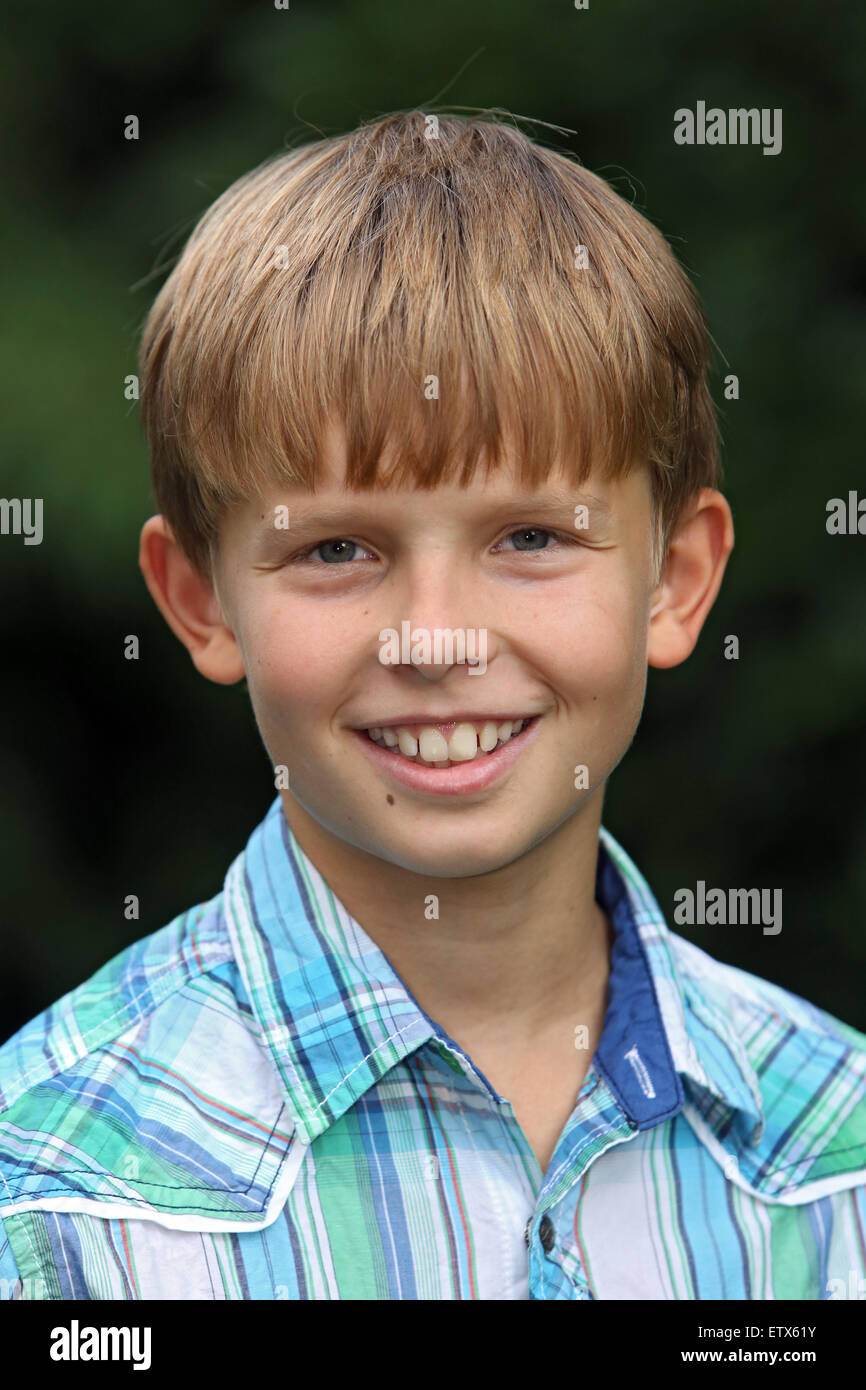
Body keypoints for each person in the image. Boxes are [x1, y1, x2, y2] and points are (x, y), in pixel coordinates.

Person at [1, 111, 863, 1300]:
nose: (435, 636)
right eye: (339, 549)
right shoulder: (51, 1205)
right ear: (200, 601)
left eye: (528, 536)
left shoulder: (833, 1171)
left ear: (671, 581)